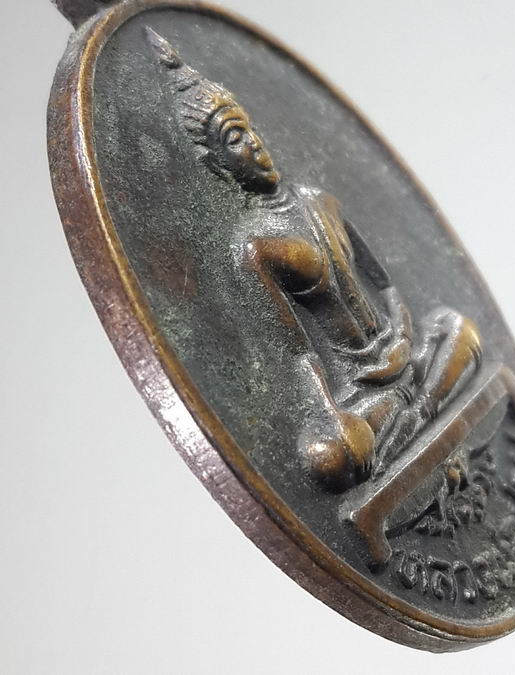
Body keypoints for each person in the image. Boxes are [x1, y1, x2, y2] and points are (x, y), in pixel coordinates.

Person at [147, 27, 483, 491]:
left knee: (458, 328)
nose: (255, 145)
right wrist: (331, 413)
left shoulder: (321, 201)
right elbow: (299, 355)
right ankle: (420, 410)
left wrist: (404, 335)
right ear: (220, 163)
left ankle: (416, 415)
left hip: (404, 352)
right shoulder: (258, 249)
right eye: (235, 140)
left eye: (250, 130)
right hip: (363, 389)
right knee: (332, 458)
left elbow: (383, 282)